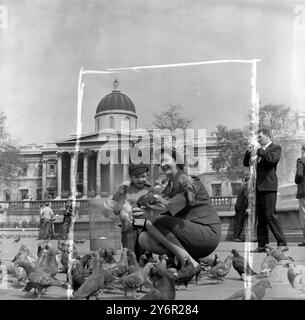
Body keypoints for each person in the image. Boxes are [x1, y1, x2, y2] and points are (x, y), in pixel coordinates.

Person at [136, 148, 221, 274]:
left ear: (177, 161)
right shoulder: (169, 187)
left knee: (152, 223)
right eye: (160, 162)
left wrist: (154, 199)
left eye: (165, 160)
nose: (162, 164)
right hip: (189, 235)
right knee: (144, 238)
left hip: (207, 232)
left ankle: (190, 264)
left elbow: (172, 205)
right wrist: (142, 214)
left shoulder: (190, 181)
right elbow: (161, 211)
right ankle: (187, 259)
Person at [244, 128, 288, 252]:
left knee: (270, 215)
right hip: (258, 187)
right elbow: (246, 164)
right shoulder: (259, 151)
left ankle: (282, 242)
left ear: (267, 137)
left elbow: (272, 159)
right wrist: (248, 152)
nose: (258, 139)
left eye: (260, 137)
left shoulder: (275, 148)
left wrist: (259, 150)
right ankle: (262, 244)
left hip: (269, 186)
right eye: (257, 138)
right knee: (261, 217)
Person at [110, 163, 153, 258]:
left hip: (145, 227)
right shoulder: (124, 190)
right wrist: (121, 193)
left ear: (147, 175)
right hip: (129, 228)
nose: (140, 179)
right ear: (130, 178)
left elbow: (154, 210)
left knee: (145, 256)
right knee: (130, 254)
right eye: (136, 177)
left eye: (143, 176)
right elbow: (116, 210)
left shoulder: (150, 190)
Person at [233, 178, 250, 242]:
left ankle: (235, 237)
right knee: (240, 222)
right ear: (247, 181)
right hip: (242, 206)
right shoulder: (246, 188)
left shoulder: (242, 187)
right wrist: (248, 207)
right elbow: (246, 197)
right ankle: (236, 237)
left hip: (237, 205)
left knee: (237, 222)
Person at [295, 144, 305, 246]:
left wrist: (296, 181)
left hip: (304, 192)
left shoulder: (301, 160)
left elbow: (299, 174)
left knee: (304, 216)